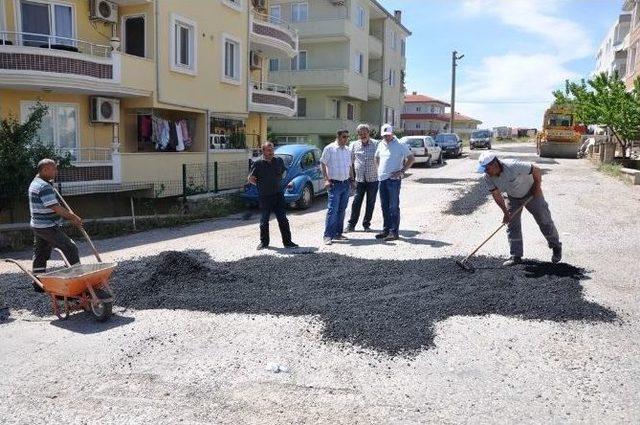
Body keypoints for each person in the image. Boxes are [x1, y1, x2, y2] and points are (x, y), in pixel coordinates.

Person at [477, 152, 562, 266]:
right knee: (512, 224)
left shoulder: (513, 165)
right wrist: (505, 212)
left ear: (494, 164)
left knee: (544, 220)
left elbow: (536, 170)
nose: (485, 171)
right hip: (512, 197)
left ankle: (556, 246)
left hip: (532, 193)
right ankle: (516, 256)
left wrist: (537, 188)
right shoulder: (487, 177)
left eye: (486, 169)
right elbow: (496, 195)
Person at [29, 159, 82, 289]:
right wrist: (73, 217)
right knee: (70, 248)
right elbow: (56, 208)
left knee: (41, 252)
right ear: (45, 170)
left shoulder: (36, 182)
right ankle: (77, 279)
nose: (56, 171)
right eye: (53, 169)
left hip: (37, 224)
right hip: (47, 226)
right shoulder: (44, 186)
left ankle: (37, 283)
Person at [248, 142, 298, 250]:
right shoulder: (258, 163)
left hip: (278, 194)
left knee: (283, 219)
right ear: (263, 151)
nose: (271, 152)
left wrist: (281, 181)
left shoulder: (278, 161)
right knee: (264, 220)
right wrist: (260, 185)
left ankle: (288, 242)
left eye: (272, 149)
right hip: (265, 196)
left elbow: (284, 172)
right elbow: (251, 178)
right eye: (269, 150)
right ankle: (264, 243)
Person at [374, 124, 415, 241]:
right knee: (384, 206)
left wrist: (402, 171)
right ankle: (386, 230)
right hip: (382, 179)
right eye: (384, 135)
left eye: (387, 135)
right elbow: (376, 157)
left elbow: (411, 158)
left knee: (393, 207)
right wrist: (378, 170)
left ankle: (394, 232)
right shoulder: (380, 144)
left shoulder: (400, 144)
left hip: (393, 180)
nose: (386, 137)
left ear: (392, 133)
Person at [320, 129, 354, 245]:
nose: (346, 139)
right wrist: (326, 180)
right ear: (338, 137)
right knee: (332, 210)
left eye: (347, 137)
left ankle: (338, 234)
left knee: (342, 210)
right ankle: (328, 235)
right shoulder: (329, 148)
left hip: (345, 184)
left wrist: (352, 180)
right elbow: (323, 163)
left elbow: (349, 166)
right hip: (334, 184)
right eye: (344, 137)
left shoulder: (348, 150)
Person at [345, 124, 379, 233]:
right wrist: (351, 178)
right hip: (359, 180)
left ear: (369, 133)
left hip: (373, 179)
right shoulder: (353, 145)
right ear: (358, 134)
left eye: (365, 133)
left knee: (370, 202)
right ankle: (351, 225)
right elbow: (349, 163)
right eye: (360, 133)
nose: (363, 135)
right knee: (356, 202)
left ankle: (366, 225)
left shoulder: (377, 144)